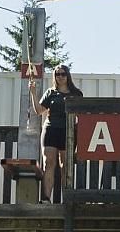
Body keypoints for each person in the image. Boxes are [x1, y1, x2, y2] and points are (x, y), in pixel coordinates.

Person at [32, 64, 82, 199]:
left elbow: (81, 115)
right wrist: (33, 93)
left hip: (68, 132)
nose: (60, 77)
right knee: (49, 163)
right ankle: (46, 199)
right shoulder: (50, 92)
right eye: (57, 74)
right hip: (50, 130)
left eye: (63, 74)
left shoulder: (76, 94)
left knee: (66, 165)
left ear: (68, 76)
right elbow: (39, 110)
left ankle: (67, 199)